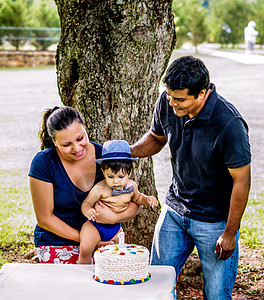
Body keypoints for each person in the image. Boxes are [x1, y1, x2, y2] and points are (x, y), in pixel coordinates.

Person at [130, 56, 251, 299]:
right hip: (175, 212)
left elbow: (242, 181)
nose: (172, 103)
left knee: (216, 295)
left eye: (180, 99)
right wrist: (127, 152)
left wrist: (229, 233)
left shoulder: (229, 124)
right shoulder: (168, 102)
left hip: (214, 221)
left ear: (202, 93)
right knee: (155, 287)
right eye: (169, 96)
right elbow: (156, 138)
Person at [29, 106, 140, 264]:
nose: (76, 148)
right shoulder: (44, 163)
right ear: (54, 142)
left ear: (85, 129)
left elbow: (135, 201)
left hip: (105, 238)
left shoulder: (105, 158)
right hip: (57, 242)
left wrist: (115, 217)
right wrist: (88, 240)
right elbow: (45, 219)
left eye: (80, 138)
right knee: (72, 286)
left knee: (111, 283)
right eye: (67, 144)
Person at [78, 140, 158, 264]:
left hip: (115, 229)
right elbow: (86, 203)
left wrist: (147, 199)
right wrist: (88, 210)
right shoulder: (100, 188)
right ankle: (82, 272)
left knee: (116, 254)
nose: (116, 182)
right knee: (85, 249)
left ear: (129, 172)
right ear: (103, 171)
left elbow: (138, 198)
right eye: (110, 177)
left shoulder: (132, 186)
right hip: (94, 226)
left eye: (121, 177)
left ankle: (110, 274)